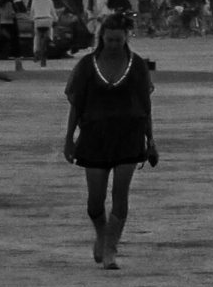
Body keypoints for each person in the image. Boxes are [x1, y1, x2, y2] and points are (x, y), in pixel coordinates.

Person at [63, 15, 156, 271]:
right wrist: (69, 139)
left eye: (118, 39)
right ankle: (102, 234)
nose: (114, 44)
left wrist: (151, 140)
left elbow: (146, 106)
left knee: (120, 196)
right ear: (101, 37)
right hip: (94, 136)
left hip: (129, 135)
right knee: (94, 202)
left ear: (126, 38)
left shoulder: (136, 65)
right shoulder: (86, 65)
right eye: (110, 39)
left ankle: (111, 249)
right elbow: (75, 105)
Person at [30, 0, 57, 67]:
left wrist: (32, 19)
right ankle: (51, 39)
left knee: (37, 37)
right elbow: (53, 13)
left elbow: (32, 13)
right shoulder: (50, 1)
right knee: (50, 29)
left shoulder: (34, 1)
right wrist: (56, 19)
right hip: (47, 20)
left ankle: (36, 52)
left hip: (38, 21)